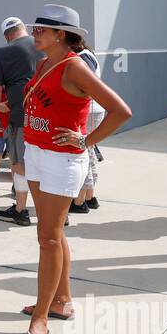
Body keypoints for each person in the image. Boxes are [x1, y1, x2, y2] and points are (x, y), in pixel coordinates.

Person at [19, 5, 131, 334]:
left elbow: (120, 111)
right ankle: (61, 300)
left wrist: (86, 140)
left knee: (48, 238)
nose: (35, 33)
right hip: (36, 152)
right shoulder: (43, 63)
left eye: (41, 29)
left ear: (61, 35)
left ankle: (41, 316)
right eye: (35, 28)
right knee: (52, 232)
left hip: (61, 160)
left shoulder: (75, 66)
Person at [0, 15, 39, 227]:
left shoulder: (3, 53)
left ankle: (20, 210)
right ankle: (58, 213)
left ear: (7, 35)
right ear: (23, 29)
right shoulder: (43, 45)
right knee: (46, 163)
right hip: (47, 116)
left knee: (19, 164)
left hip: (21, 118)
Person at [69, 47, 105, 214]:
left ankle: (80, 200)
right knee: (88, 154)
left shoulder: (82, 57)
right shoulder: (87, 55)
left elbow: (85, 84)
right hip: (93, 110)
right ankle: (90, 197)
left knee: (84, 155)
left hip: (89, 111)